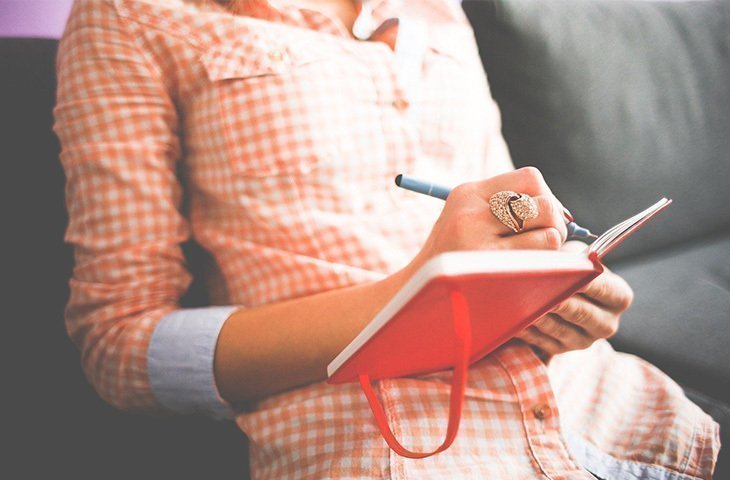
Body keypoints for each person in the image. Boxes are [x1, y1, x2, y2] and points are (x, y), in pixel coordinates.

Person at [54, 0, 720, 478]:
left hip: (614, 409)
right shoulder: (129, 16)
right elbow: (119, 346)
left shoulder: (439, 13)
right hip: (394, 442)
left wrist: (561, 275)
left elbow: (504, 208)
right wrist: (416, 294)